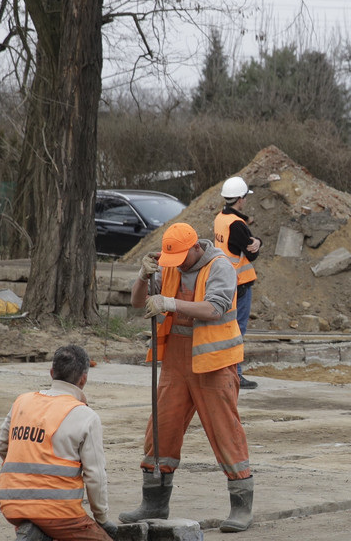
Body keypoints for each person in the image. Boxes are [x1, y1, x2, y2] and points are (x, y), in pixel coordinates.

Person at [121, 222, 254, 533]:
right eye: (173, 259)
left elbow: (215, 309)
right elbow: (137, 302)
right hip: (176, 363)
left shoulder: (220, 266)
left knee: (225, 432)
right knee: (161, 430)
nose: (177, 264)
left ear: (196, 247)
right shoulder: (168, 266)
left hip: (213, 364)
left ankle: (241, 506)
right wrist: (143, 276)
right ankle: (154, 502)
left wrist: (170, 303)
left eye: (182, 257)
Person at [0, 344, 117, 541]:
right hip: (59, 512)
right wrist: (101, 519)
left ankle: (38, 531)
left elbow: (1, 447)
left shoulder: (22, 402)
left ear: (52, 373)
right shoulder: (85, 416)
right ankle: (42, 528)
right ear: (83, 378)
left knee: (47, 526)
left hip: (11, 504)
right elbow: (95, 476)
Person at [214, 176, 262, 390]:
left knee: (225, 328)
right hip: (239, 284)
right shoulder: (238, 225)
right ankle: (236, 373)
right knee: (237, 330)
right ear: (240, 199)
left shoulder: (220, 218)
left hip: (223, 280)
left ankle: (222, 370)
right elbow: (251, 254)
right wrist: (258, 243)